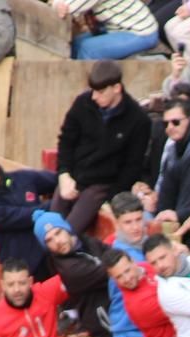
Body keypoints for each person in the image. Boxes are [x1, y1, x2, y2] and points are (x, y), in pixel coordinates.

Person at [55, 61, 151, 236]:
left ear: (116, 88)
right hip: (74, 176)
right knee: (50, 226)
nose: (94, 97)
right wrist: (64, 173)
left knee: (66, 234)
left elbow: (132, 166)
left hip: (102, 185)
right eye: (93, 91)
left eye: (100, 92)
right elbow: (66, 140)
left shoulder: (138, 119)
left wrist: (112, 198)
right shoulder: (82, 103)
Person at [0, 148, 57, 280]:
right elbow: (24, 216)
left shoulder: (22, 179)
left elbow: (57, 180)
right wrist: (57, 203)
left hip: (51, 257)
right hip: (21, 272)